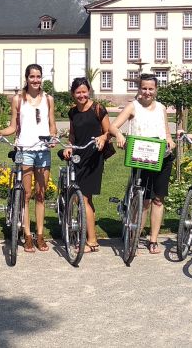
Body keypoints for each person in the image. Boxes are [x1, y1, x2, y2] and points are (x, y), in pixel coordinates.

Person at [0, 64, 58, 252]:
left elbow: (52, 124)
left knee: (41, 194)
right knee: (26, 194)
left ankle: (40, 235)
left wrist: (53, 137)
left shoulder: (48, 99)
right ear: (26, 78)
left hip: (43, 151)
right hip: (25, 150)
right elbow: (13, 126)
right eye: (32, 76)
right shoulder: (18, 99)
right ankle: (27, 234)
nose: (36, 80)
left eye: (39, 76)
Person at [111, 73, 176, 255]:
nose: (147, 92)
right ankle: (134, 237)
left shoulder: (161, 107)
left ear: (156, 90)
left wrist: (170, 140)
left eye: (151, 88)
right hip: (141, 156)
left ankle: (153, 239)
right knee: (144, 200)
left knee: (158, 199)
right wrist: (119, 135)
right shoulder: (133, 107)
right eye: (144, 88)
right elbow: (113, 126)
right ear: (139, 89)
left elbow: (166, 130)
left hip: (162, 155)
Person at [61, 77, 111, 254]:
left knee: (84, 198)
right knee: (85, 199)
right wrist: (69, 146)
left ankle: (92, 240)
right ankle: (89, 236)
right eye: (78, 92)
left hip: (94, 157)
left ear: (88, 90)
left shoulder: (98, 108)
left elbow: (109, 132)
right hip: (79, 155)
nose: (81, 95)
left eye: (84, 91)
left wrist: (103, 138)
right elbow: (73, 135)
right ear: (73, 94)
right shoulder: (73, 112)